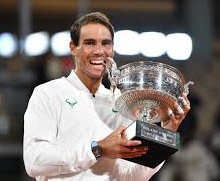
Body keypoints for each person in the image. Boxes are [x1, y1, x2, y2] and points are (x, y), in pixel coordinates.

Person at [23, 12, 191, 181]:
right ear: (73, 48)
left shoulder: (121, 101)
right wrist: (98, 149)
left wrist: (167, 130)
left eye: (106, 44)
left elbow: (133, 176)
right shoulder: (48, 93)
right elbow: (34, 161)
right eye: (89, 43)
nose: (99, 51)